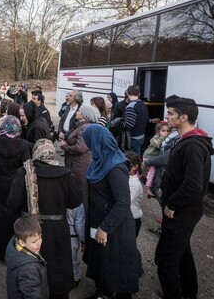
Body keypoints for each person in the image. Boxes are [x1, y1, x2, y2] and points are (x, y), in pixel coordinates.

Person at [155, 95, 214, 299]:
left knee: (165, 259)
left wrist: (172, 204)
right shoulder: (186, 140)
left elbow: (193, 184)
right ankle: (189, 293)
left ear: (183, 117)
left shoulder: (193, 145)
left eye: (171, 113)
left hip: (181, 212)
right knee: (182, 254)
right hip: (182, 211)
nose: (167, 116)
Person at [8, 139, 81, 299]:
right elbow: (75, 201)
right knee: (58, 267)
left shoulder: (25, 171)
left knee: (32, 267)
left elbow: (12, 203)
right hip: (58, 229)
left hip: (31, 229)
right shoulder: (65, 173)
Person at [82, 124, 140, 299]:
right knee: (103, 260)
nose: (88, 146)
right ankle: (104, 292)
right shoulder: (100, 161)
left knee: (117, 263)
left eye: (89, 142)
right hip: (99, 219)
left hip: (115, 227)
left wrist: (105, 227)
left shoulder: (115, 167)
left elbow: (123, 202)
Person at [0, 116, 31, 261]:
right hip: (15, 185)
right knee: (11, 216)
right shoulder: (22, 144)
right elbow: (26, 166)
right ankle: (12, 248)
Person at [59, 105, 99, 209]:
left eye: (79, 111)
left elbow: (80, 148)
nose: (76, 112)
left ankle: (81, 217)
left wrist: (65, 146)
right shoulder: (81, 125)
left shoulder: (85, 128)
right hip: (76, 164)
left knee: (80, 190)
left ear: (84, 114)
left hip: (79, 165)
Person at [5, 216, 48, 299]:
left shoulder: (16, 244)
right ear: (22, 242)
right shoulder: (29, 269)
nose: (39, 243)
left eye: (40, 237)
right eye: (34, 241)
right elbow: (33, 295)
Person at [143, 122, 170, 198]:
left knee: (152, 173)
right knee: (152, 172)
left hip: (153, 157)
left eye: (167, 131)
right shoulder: (156, 137)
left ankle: (149, 188)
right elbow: (155, 144)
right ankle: (147, 188)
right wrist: (162, 138)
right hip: (149, 156)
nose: (165, 133)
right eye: (163, 131)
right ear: (158, 131)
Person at [123, 85, 149, 154]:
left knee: (132, 160)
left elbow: (129, 125)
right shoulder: (143, 104)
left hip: (133, 138)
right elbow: (145, 119)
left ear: (127, 93)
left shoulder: (131, 106)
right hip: (141, 136)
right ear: (139, 94)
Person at [66, 203, 86, 288]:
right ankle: (75, 279)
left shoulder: (55, 199)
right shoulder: (77, 204)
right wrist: (83, 241)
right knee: (73, 261)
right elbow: (80, 225)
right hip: (72, 237)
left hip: (57, 235)